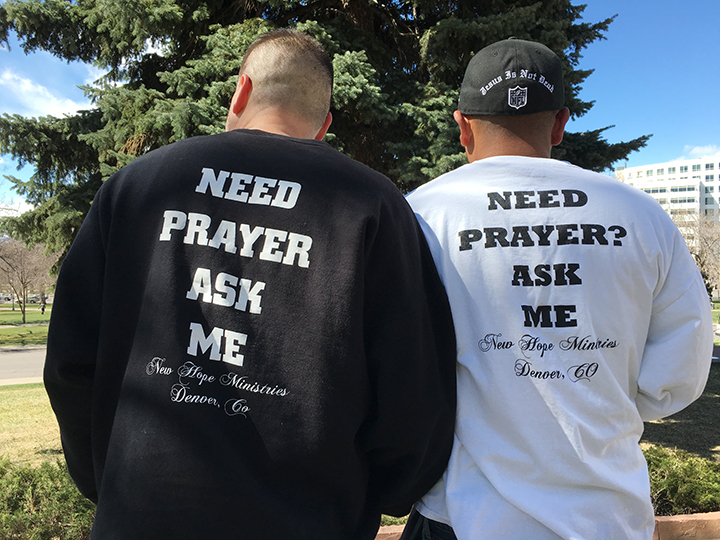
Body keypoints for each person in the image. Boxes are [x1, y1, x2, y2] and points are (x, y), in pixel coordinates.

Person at [44, 29, 457, 540]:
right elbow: (412, 390)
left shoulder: (140, 185)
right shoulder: (372, 205)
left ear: (240, 92)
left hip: (140, 516)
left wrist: (107, 479)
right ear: (324, 124)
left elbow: (70, 362)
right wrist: (380, 495)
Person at [402, 38, 713, 540]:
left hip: (461, 517)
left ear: (461, 125)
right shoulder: (641, 216)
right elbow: (678, 372)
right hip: (607, 520)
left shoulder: (420, 214)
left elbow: (391, 370)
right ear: (562, 122)